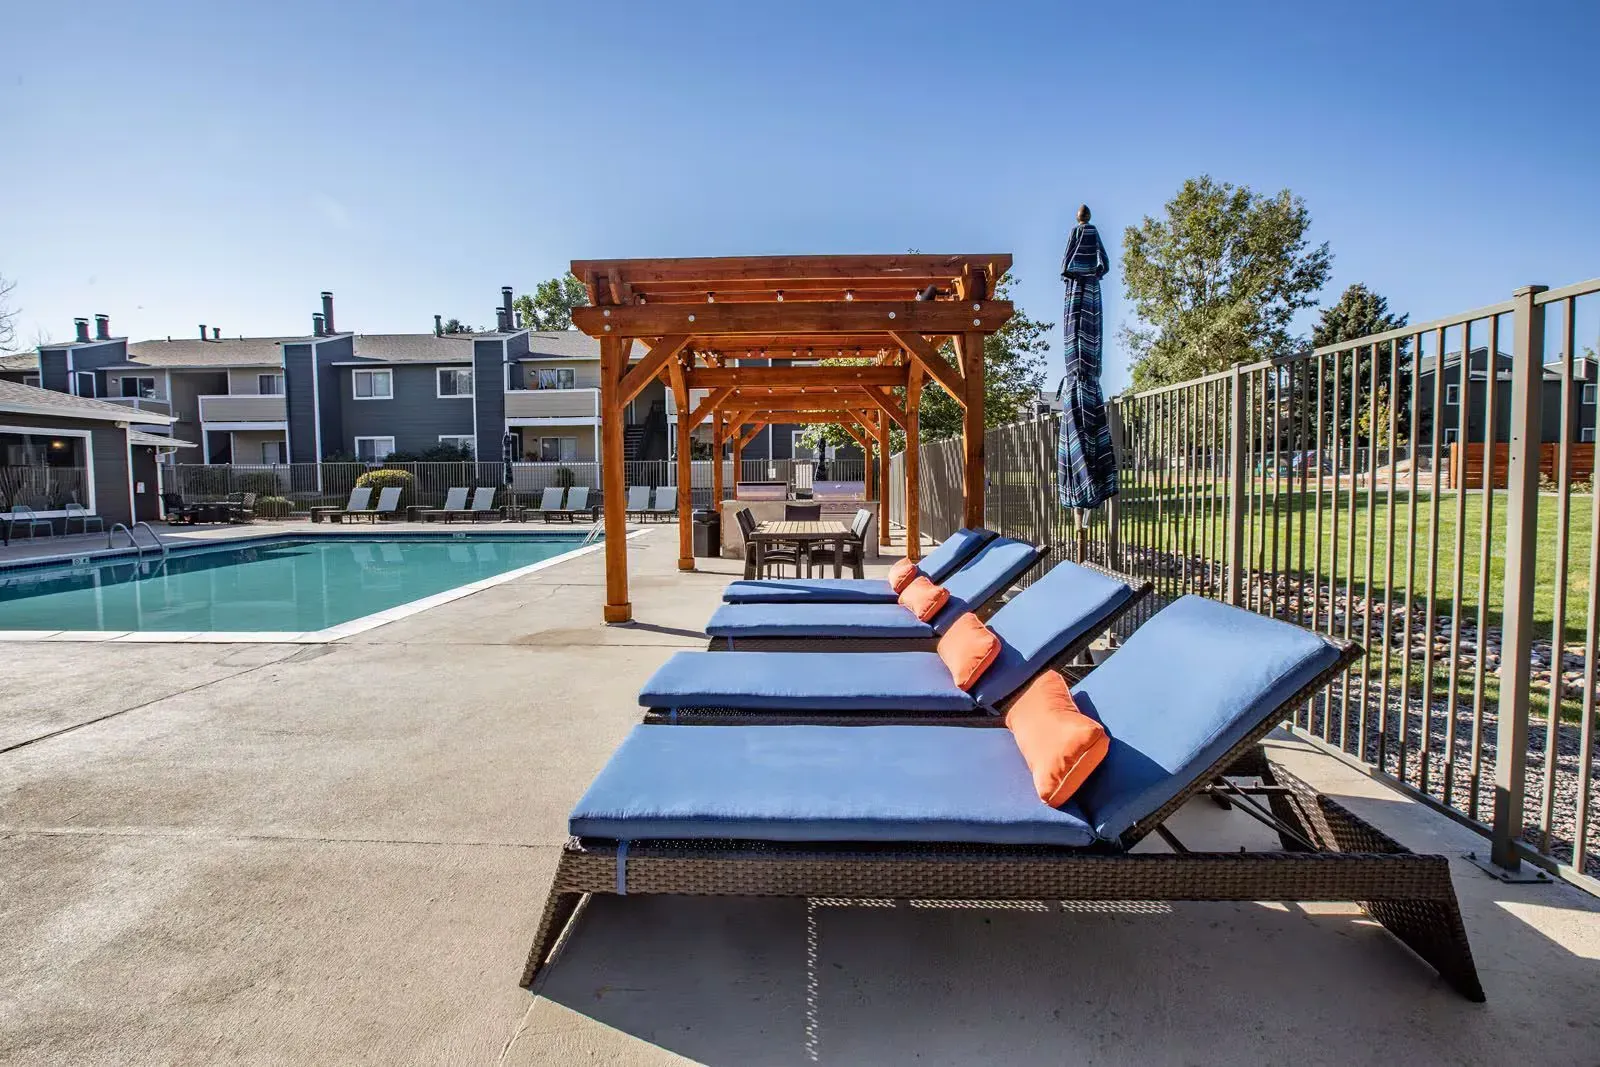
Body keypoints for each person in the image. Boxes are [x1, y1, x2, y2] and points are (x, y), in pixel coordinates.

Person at [1058, 204, 1119, 510]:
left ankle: (1084, 493)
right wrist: (1095, 271)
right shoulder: (1090, 278)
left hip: (1081, 375)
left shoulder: (1074, 255)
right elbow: (1103, 263)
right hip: (1084, 374)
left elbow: (1066, 262)